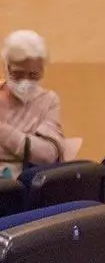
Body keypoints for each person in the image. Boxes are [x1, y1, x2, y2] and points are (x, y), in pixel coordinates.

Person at [0, 30, 65, 179]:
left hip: (27, 184)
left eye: (33, 75)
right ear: (6, 67)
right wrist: (28, 146)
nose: (25, 81)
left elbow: (48, 154)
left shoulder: (48, 100)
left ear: (43, 69)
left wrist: (3, 131)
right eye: (18, 74)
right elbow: (38, 151)